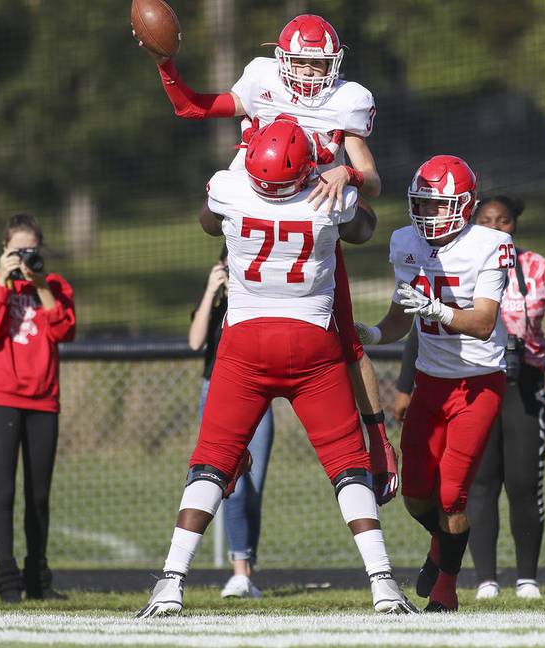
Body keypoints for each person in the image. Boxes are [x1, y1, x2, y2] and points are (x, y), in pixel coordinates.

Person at [136, 118, 414, 618]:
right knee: (346, 461)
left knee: (212, 460)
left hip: (245, 342)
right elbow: (363, 228)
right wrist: (343, 176)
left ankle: (172, 581)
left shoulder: (229, 189)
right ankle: (383, 584)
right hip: (312, 342)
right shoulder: (329, 200)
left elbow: (207, 219)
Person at [135, 15, 399, 507]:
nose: (310, 74)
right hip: (253, 214)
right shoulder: (260, 78)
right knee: (242, 335)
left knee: (344, 331)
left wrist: (347, 173)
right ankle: (231, 450)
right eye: (301, 62)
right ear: (282, 60)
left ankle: (378, 440)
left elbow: (373, 178)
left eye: (320, 65)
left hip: (310, 223)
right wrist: (165, 64)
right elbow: (192, 108)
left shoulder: (348, 99)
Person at [355, 155, 514, 612]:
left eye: (439, 205)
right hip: (430, 382)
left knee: (451, 495)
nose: (429, 215)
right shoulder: (406, 242)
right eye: (422, 205)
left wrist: (438, 311)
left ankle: (446, 588)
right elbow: (399, 318)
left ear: (465, 206)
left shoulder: (489, 244)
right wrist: (372, 333)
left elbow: (484, 323)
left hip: (479, 383)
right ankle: (442, 548)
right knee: (415, 495)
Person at [465, 195, 545, 600]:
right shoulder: (459, 264)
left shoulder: (539, 269)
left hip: (526, 385)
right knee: (481, 484)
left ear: (514, 224)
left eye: (503, 221)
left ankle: (527, 580)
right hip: (477, 382)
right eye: (486, 221)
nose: (495, 228)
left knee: (523, 483)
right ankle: (485, 581)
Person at [0, 213, 76, 603]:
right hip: (1, 399)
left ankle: (38, 578)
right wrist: (2, 280)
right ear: (3, 250)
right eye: (17, 251)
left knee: (38, 494)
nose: (24, 258)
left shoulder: (56, 286)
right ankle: (7, 578)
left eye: (31, 251)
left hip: (43, 399)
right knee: (2, 490)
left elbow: (65, 330)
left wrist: (40, 286)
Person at [188, 246, 274, 599]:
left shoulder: (259, 303)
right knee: (231, 486)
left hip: (259, 397)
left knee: (253, 488)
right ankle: (238, 571)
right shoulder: (218, 303)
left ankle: (246, 570)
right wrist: (211, 291)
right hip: (218, 394)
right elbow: (195, 342)